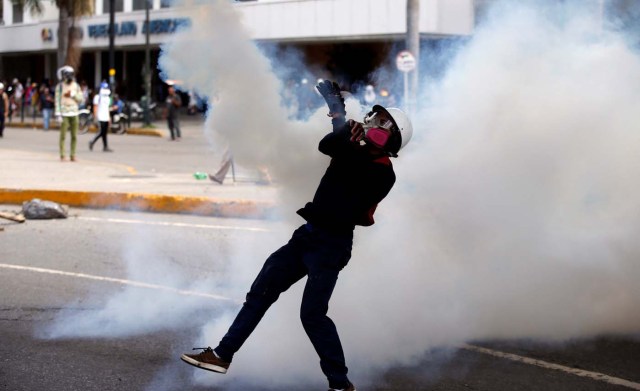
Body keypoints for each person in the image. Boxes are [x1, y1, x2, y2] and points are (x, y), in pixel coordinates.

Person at [180, 80, 413, 391]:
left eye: (383, 123)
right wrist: (340, 120)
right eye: (377, 117)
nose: (375, 122)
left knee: (312, 315)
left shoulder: (384, 173)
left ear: (391, 139)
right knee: (261, 291)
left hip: (332, 245)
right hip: (308, 236)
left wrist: (341, 119)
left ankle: (340, 383)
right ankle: (222, 355)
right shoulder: (351, 148)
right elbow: (328, 147)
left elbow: (341, 155)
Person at [54, 66, 83, 162]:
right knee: (63, 136)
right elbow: (57, 100)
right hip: (64, 113)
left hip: (74, 112)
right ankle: (62, 155)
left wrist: (73, 95)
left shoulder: (76, 86)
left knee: (74, 136)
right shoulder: (60, 86)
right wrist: (58, 114)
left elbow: (81, 99)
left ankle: (73, 155)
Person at [89, 82, 113, 152]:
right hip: (100, 117)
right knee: (102, 132)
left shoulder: (108, 98)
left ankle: (105, 146)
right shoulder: (97, 97)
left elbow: (107, 109)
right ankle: (92, 142)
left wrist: (109, 118)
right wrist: (95, 117)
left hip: (106, 117)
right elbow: (95, 107)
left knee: (104, 132)